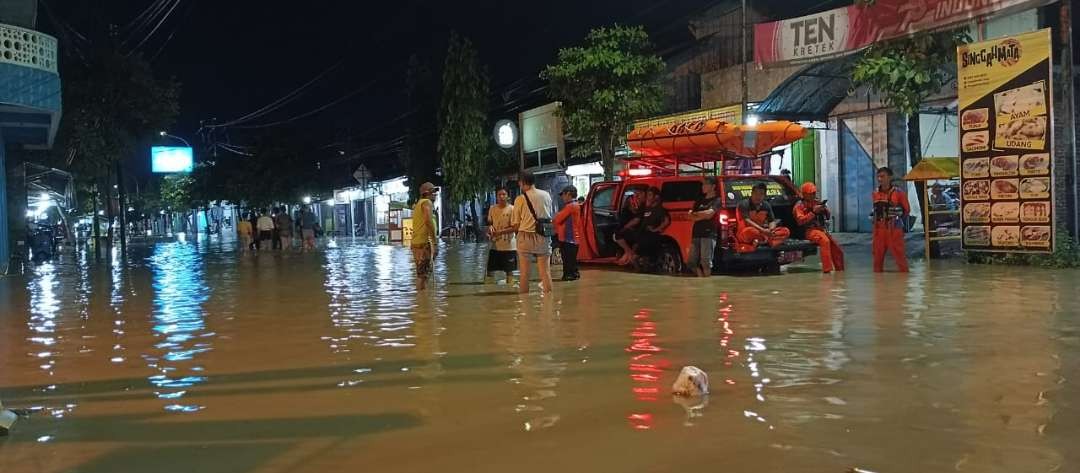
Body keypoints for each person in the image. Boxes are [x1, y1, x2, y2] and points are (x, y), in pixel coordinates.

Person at [510, 171, 554, 294]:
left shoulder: (520, 199)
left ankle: (525, 308)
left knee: (524, 274)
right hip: (543, 235)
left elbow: (516, 224)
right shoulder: (546, 195)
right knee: (545, 272)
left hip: (525, 236)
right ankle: (548, 306)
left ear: (522, 182)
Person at [794, 182, 844, 273]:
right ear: (805, 194)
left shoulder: (817, 202)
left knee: (837, 248)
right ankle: (827, 270)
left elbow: (828, 216)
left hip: (821, 229)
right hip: (809, 231)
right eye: (811, 193)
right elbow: (800, 221)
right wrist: (813, 212)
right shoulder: (799, 206)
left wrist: (824, 209)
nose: (813, 195)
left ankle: (840, 270)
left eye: (814, 193)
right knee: (825, 241)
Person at [872, 167, 910, 272]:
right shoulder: (875, 193)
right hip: (879, 229)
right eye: (878, 177)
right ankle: (878, 284)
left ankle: (903, 283)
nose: (880, 179)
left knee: (900, 256)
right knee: (877, 258)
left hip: (894, 228)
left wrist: (898, 222)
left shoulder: (899, 193)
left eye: (882, 176)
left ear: (890, 177)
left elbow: (907, 210)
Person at [735, 183, 790, 252]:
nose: (758, 196)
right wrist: (763, 230)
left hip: (763, 232)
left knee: (785, 231)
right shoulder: (744, 204)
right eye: (756, 194)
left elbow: (772, 221)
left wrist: (771, 229)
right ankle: (768, 241)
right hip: (747, 232)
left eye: (761, 194)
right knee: (751, 231)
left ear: (764, 195)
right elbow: (747, 221)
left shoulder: (766, 205)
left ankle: (762, 241)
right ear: (751, 193)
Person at [687, 177, 722, 277]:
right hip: (696, 233)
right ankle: (701, 278)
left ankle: (707, 282)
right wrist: (701, 215)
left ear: (713, 186)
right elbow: (690, 216)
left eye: (706, 184)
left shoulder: (717, 200)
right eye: (703, 184)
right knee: (691, 262)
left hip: (709, 233)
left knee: (706, 261)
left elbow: (710, 214)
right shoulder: (699, 200)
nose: (703, 187)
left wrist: (696, 214)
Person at [485, 188, 517, 285]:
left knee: (509, 271)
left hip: (509, 245)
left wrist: (500, 232)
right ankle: (489, 292)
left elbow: (515, 227)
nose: (502, 197)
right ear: (496, 196)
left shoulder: (512, 209)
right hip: (495, 244)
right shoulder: (492, 208)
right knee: (490, 270)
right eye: (499, 194)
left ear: (507, 196)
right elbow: (490, 223)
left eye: (504, 194)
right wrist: (490, 229)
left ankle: (510, 291)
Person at [411, 182, 439, 290]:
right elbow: (428, 221)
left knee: (421, 274)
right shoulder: (427, 202)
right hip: (424, 243)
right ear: (427, 193)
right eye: (433, 191)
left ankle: (422, 302)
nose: (435, 194)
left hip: (417, 243)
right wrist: (434, 241)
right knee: (423, 276)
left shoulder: (419, 204)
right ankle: (423, 302)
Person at [633, 187, 671, 264]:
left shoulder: (660, 209)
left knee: (643, 259)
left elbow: (666, 221)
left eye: (650, 195)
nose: (648, 197)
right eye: (647, 195)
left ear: (656, 197)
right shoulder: (647, 208)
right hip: (642, 236)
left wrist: (656, 229)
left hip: (651, 238)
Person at [553, 186, 583, 281]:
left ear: (568, 194)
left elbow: (557, 219)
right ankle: (574, 274)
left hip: (568, 238)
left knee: (567, 261)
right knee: (571, 261)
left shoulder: (571, 206)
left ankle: (569, 276)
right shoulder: (575, 205)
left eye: (563, 195)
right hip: (572, 238)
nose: (562, 197)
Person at [614, 188, 646, 265]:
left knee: (618, 234)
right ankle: (628, 255)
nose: (637, 197)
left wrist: (625, 227)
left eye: (639, 194)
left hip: (639, 232)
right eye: (636, 195)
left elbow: (636, 220)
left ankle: (630, 254)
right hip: (638, 231)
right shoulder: (630, 210)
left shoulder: (641, 208)